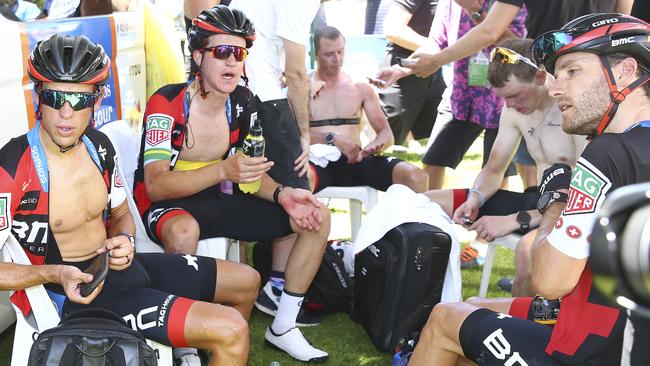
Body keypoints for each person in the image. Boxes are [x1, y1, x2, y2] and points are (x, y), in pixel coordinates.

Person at [402, 13, 650, 366]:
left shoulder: (609, 153)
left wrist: (554, 202)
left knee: (444, 320)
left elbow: (549, 282)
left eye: (572, 71)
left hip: (593, 348)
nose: (555, 87)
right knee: (473, 308)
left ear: (625, 71)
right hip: (612, 324)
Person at [0, 33, 260, 366]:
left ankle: (195, 354)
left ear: (96, 100)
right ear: (38, 98)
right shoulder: (12, 165)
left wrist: (123, 238)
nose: (66, 113)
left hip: (120, 269)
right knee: (232, 330)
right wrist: (55, 274)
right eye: (54, 97)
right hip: (74, 297)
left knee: (247, 281)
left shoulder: (99, 147)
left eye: (79, 100)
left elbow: (121, 213)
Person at [132, 6, 330, 363]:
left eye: (239, 54)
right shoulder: (166, 103)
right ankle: (184, 345)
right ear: (197, 56)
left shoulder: (243, 102)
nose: (232, 63)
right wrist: (224, 171)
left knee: (315, 214)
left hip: (217, 197)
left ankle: (283, 325)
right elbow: (157, 186)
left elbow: (249, 177)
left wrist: (284, 194)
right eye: (221, 52)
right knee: (183, 231)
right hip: (169, 202)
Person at [425, 38, 585, 295]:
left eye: (514, 95)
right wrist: (475, 198)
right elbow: (494, 169)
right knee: (426, 202)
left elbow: (585, 193)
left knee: (526, 252)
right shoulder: (514, 110)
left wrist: (514, 220)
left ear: (541, 77)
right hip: (537, 201)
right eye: (503, 98)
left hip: (568, 210)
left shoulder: (573, 109)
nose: (509, 104)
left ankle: (519, 328)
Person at [378, 0, 633, 83]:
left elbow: (490, 31)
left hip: (551, 71)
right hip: (602, 69)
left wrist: (436, 61)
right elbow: (623, 23)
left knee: (544, 159)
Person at [309, 25, 429, 194]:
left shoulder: (359, 87)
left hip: (355, 161)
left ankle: (414, 220)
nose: (337, 59)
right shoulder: (304, 87)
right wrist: (332, 139)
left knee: (416, 177)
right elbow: (291, 136)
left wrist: (375, 145)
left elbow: (387, 135)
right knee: (301, 180)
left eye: (341, 52)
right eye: (329, 54)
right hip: (317, 162)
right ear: (315, 53)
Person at [379, 0, 446, 148]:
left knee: (439, 145)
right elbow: (392, 29)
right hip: (400, 66)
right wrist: (438, 47)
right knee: (386, 143)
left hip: (434, 67)